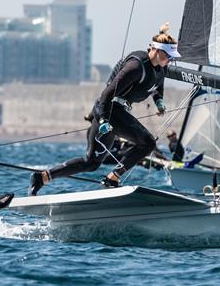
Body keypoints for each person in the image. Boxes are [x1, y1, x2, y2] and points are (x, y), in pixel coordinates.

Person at [29, 23, 180, 195]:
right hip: (110, 110)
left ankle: (42, 177)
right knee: (148, 143)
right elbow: (106, 94)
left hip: (119, 113)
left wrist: (159, 101)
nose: (169, 60)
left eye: (171, 57)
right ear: (155, 50)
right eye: (167, 55)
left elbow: (157, 86)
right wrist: (102, 120)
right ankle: (113, 178)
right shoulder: (136, 67)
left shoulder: (162, 67)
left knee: (91, 163)